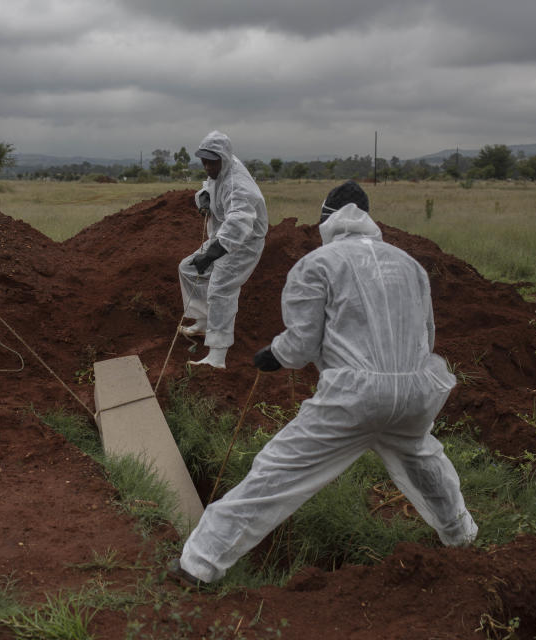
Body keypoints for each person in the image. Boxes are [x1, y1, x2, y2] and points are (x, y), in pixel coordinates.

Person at [170, 180, 477, 586]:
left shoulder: (318, 264)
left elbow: (300, 345)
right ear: (368, 219)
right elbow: (427, 336)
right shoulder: (409, 265)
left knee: (276, 473)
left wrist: (273, 355)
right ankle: (462, 538)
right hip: (417, 392)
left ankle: (198, 563)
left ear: (327, 221)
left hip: (354, 398)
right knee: (425, 462)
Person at [178, 131, 268, 369]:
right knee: (187, 268)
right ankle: (204, 320)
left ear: (224, 158)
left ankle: (217, 356)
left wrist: (210, 255)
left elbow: (239, 222)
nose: (207, 166)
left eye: (211, 161)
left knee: (220, 290)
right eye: (203, 161)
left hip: (244, 243)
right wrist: (205, 198)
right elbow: (209, 185)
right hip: (222, 238)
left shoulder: (239, 185)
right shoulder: (220, 168)